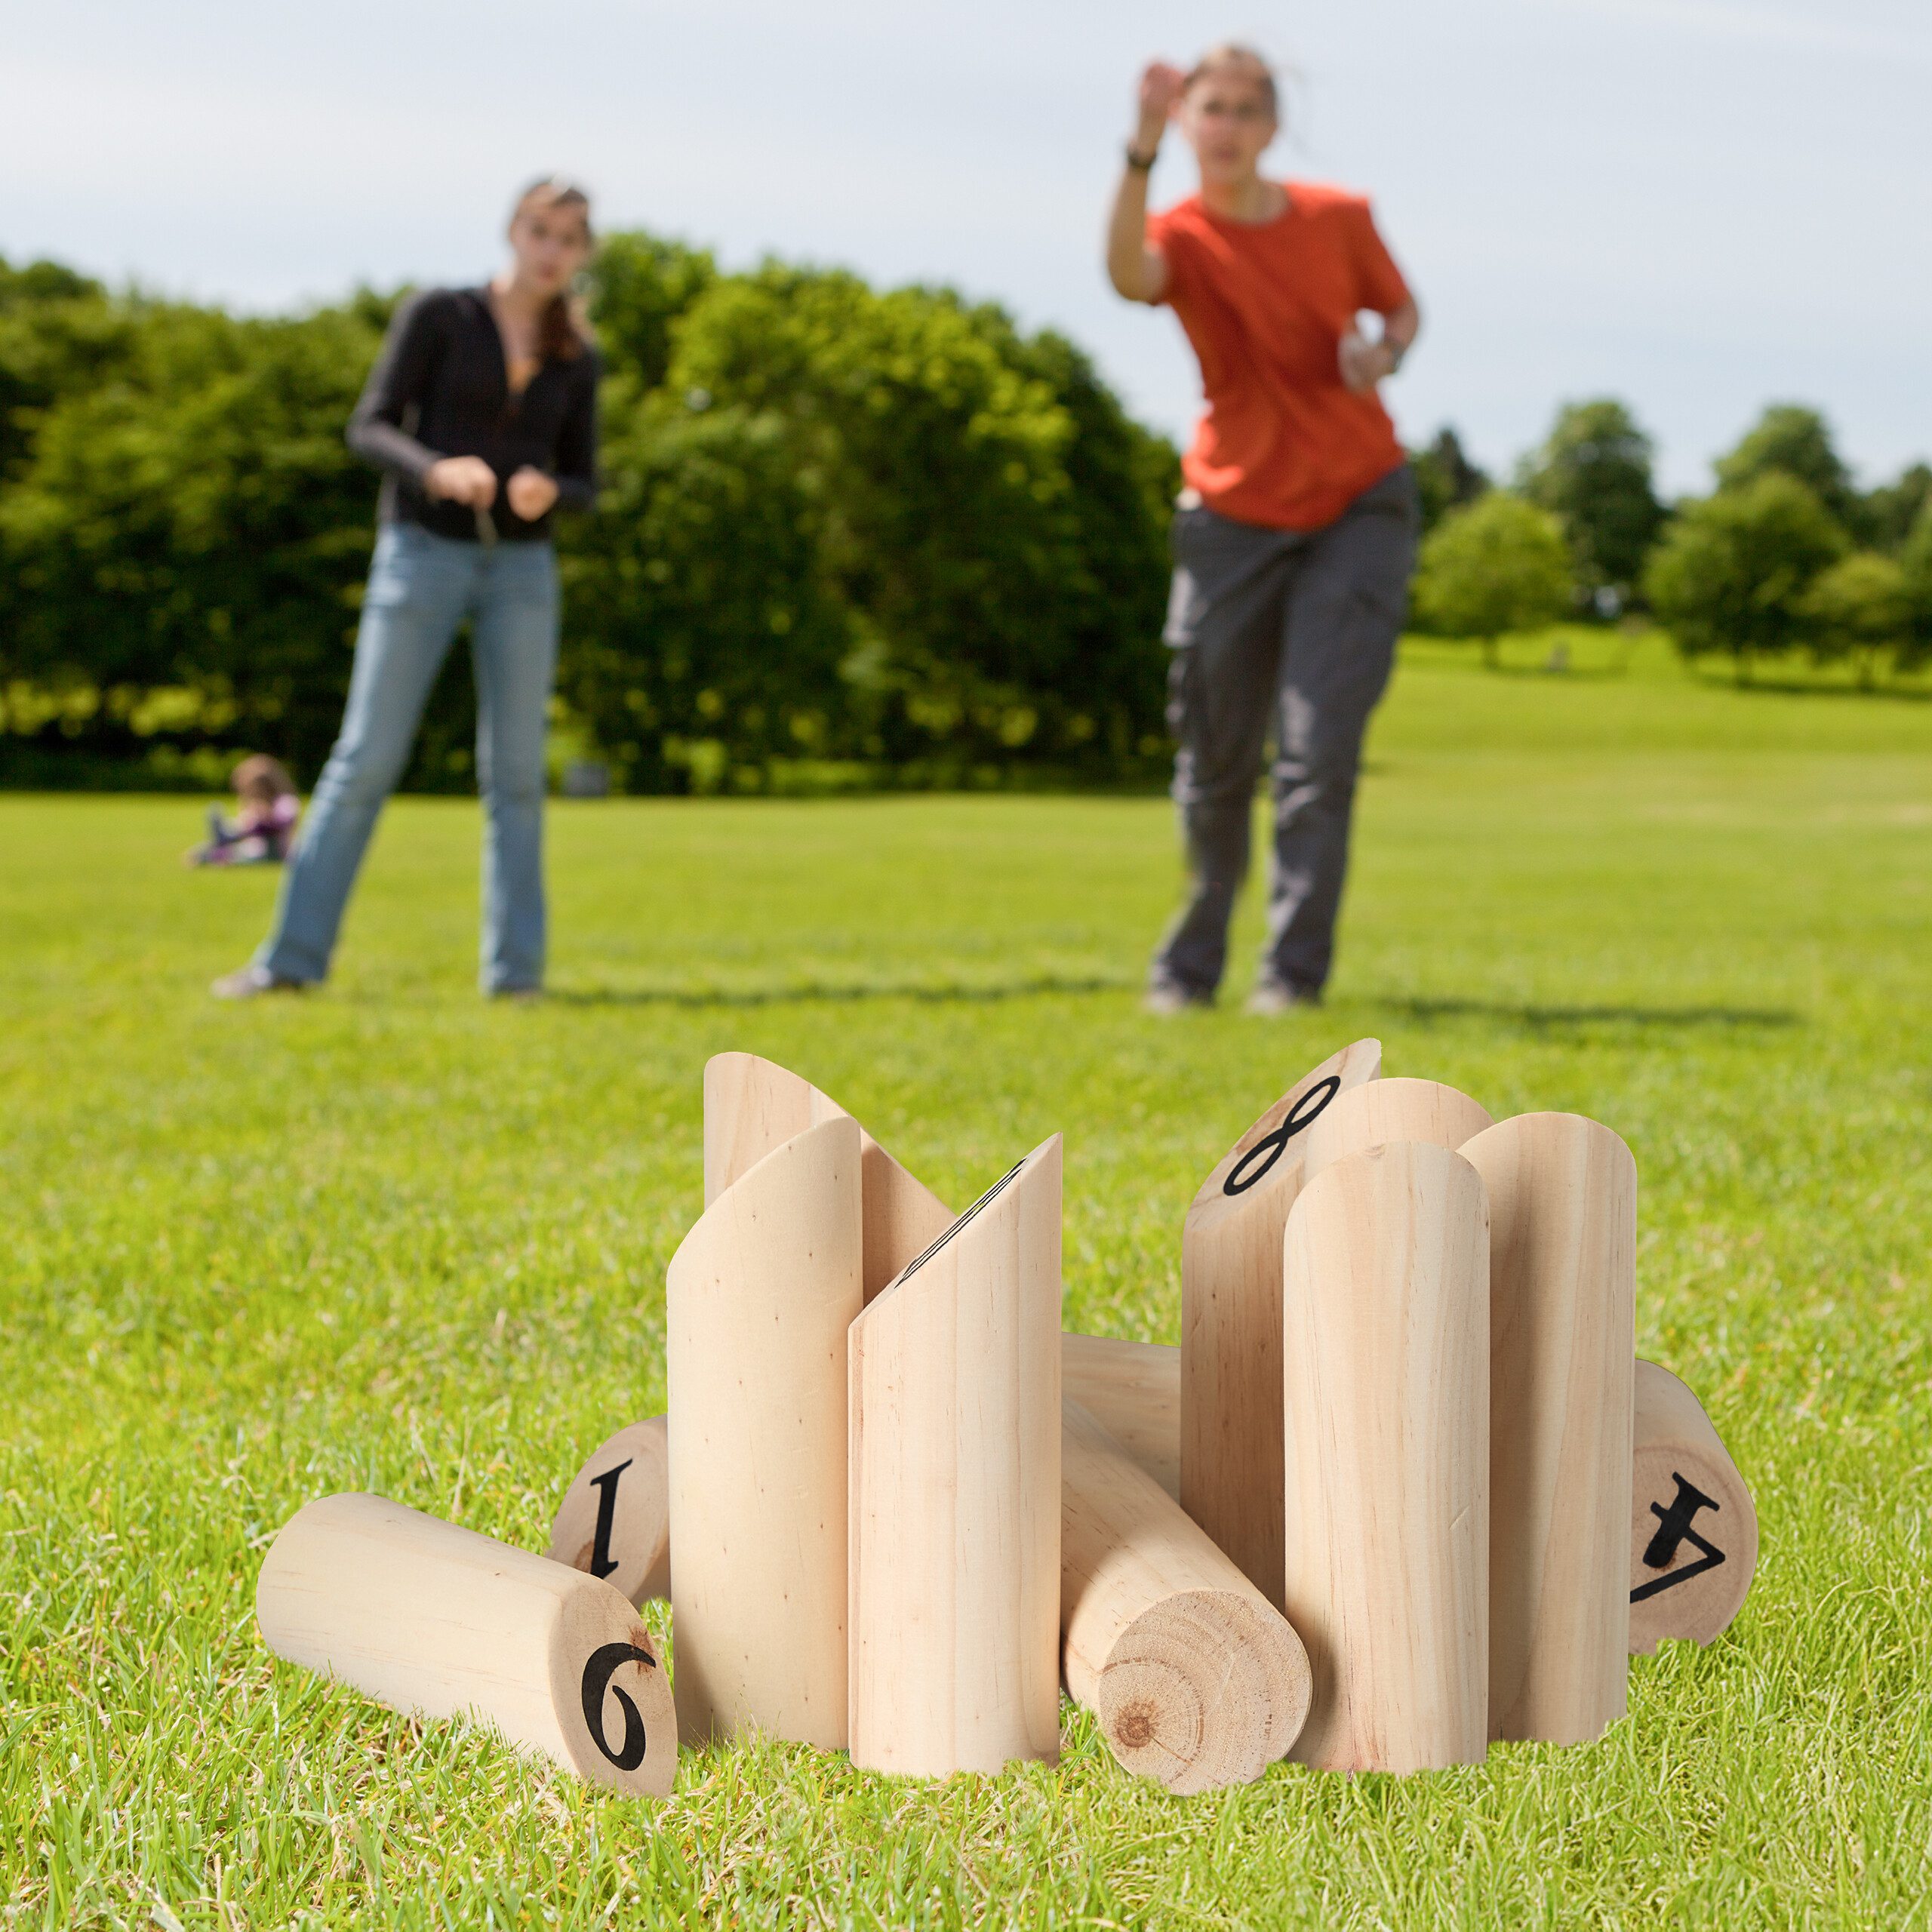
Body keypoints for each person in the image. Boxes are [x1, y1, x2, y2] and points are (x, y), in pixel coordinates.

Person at [212, 177, 599, 1000]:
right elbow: (370, 425)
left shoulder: (577, 355)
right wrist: (436, 469)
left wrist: (550, 492)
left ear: (581, 253)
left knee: (518, 776)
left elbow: (586, 479)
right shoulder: (441, 315)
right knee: (364, 759)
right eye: (540, 230)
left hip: (523, 571)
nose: (551, 249)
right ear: (514, 231)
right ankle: (289, 962)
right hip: (423, 552)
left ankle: (516, 976)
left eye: (568, 237)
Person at [1108, 47, 1422, 1014]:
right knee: (1212, 756)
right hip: (1231, 513)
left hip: (1354, 504)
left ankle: (1290, 975)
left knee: (1315, 751)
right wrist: (1138, 150)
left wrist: (1384, 353)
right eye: (1213, 108)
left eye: (1247, 108)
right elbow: (1127, 276)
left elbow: (1400, 312)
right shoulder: (1182, 232)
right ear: (1190, 120)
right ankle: (1188, 966)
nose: (1230, 125)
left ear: (1271, 125)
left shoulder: (1338, 219)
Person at [186, 754, 300, 867]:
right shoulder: (255, 806)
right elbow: (246, 828)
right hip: (254, 846)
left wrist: (264, 817)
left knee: (245, 852)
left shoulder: (284, 802)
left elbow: (283, 822)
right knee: (236, 844)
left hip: (276, 851)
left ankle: (221, 847)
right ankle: (221, 841)